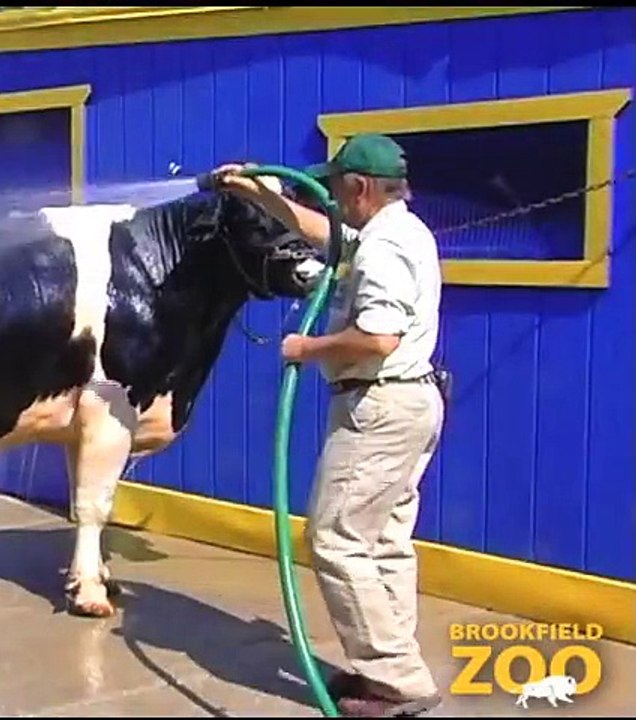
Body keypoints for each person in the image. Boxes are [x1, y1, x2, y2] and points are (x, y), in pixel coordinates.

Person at [210, 133, 446, 717]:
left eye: (338, 189)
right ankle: (387, 668)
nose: (334, 201)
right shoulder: (398, 231)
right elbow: (321, 231)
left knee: (336, 538)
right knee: (383, 540)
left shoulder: (384, 250)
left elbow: (377, 338)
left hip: (379, 407)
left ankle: (397, 681)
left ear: (360, 187)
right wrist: (255, 193)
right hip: (411, 403)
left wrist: (307, 346)